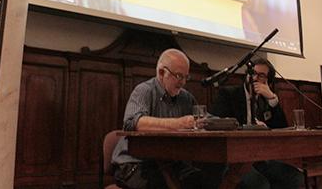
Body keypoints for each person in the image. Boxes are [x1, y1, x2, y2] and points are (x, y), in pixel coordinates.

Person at [111, 48, 214, 189]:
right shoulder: (144, 91)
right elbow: (132, 122)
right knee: (161, 184)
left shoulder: (186, 97)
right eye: (178, 76)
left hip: (169, 162)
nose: (183, 82)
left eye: (186, 77)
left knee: (203, 181)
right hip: (135, 164)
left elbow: (205, 118)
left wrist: (227, 122)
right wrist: (179, 123)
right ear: (161, 72)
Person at [210, 57, 304, 189]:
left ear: (268, 82)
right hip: (234, 158)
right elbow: (215, 124)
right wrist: (250, 128)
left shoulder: (265, 100)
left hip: (259, 157)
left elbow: (281, 128)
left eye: (261, 76)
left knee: (295, 177)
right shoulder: (229, 94)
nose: (254, 78)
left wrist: (272, 99)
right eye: (252, 73)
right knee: (260, 184)